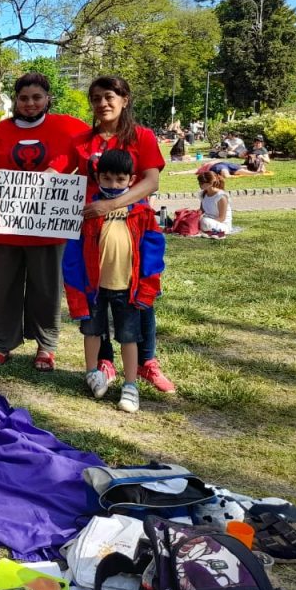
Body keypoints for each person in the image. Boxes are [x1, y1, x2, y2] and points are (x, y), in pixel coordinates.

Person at [0, 72, 89, 371]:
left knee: (46, 288)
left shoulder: (69, 127)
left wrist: (68, 182)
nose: (30, 104)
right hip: (3, 224)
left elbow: (96, 152)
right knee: (2, 286)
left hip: (47, 226)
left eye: (37, 97)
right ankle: (3, 342)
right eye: (24, 98)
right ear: (16, 100)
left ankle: (46, 346)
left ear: (48, 98)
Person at [68, 75, 175, 394]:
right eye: (96, 98)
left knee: (139, 295)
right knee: (96, 292)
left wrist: (111, 204)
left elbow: (151, 181)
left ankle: (146, 362)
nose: (102, 103)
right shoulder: (82, 142)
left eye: (110, 96)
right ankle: (104, 361)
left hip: (133, 227)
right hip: (93, 230)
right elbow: (66, 176)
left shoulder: (141, 136)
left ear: (125, 99)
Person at [63, 149, 165, 414]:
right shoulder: (88, 210)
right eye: (107, 179)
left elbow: (154, 250)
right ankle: (92, 373)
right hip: (93, 288)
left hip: (127, 288)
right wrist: (75, 288)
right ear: (98, 178)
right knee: (91, 331)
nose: (113, 185)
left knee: (129, 337)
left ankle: (130, 385)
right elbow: (73, 251)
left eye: (120, 180)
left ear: (131, 180)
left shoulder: (141, 212)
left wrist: (149, 286)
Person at [198, 171, 233, 236]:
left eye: (202, 183)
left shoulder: (221, 196)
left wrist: (205, 221)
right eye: (199, 182)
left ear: (210, 183)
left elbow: (222, 218)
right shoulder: (203, 194)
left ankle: (210, 230)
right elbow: (200, 211)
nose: (200, 184)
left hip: (221, 224)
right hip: (207, 221)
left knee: (204, 222)